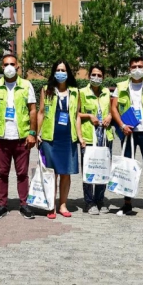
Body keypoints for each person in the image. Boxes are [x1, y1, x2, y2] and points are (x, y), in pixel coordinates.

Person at [0, 54, 38, 220]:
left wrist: (32, 133)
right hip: (1, 137)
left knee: (22, 174)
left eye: (12, 64)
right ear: (2, 67)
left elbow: (33, 110)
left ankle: (24, 204)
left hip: (21, 137)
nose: (9, 67)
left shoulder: (26, 85)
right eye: (6, 64)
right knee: (2, 173)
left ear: (18, 67)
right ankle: (2, 205)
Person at [110, 56, 143, 218]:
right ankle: (127, 203)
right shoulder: (121, 86)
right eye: (134, 66)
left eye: (140, 66)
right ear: (129, 69)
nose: (137, 69)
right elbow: (114, 108)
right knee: (127, 167)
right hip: (129, 133)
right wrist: (121, 125)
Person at [38, 60, 83, 219]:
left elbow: (77, 115)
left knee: (65, 173)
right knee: (52, 173)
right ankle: (51, 206)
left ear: (68, 72)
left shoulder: (75, 92)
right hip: (51, 138)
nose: (61, 73)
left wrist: (80, 136)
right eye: (58, 69)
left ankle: (63, 204)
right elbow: (41, 112)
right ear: (53, 72)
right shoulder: (46, 90)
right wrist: (37, 133)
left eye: (63, 70)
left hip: (68, 138)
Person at [78, 65, 113, 215]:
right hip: (88, 136)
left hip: (105, 137)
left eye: (99, 75)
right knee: (89, 169)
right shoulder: (82, 92)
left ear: (103, 77)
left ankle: (100, 199)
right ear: (89, 76)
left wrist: (109, 116)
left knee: (103, 168)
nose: (96, 78)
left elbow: (111, 111)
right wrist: (89, 116)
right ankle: (89, 201)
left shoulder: (106, 92)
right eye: (94, 74)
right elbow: (76, 113)